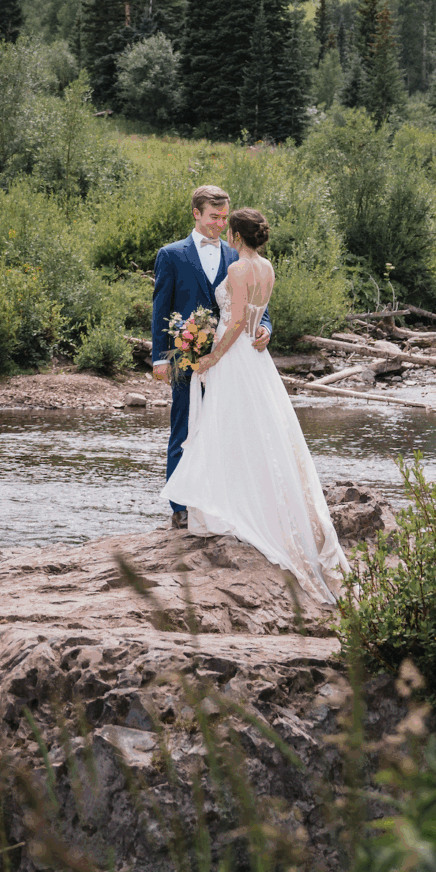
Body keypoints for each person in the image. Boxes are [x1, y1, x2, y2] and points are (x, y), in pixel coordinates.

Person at [161, 207, 346, 605]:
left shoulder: (238, 270)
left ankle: (234, 508)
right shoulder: (268, 268)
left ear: (235, 234)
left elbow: (233, 324)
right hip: (258, 361)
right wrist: (254, 331)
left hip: (236, 358)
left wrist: (211, 358)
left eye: (227, 227)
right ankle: (243, 500)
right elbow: (253, 316)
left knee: (227, 427)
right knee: (258, 430)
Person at [149, 185, 265, 528]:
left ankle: (221, 502)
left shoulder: (237, 254)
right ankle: (180, 506)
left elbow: (255, 301)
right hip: (187, 357)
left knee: (227, 428)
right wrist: (159, 358)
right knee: (185, 427)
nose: (219, 224)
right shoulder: (170, 254)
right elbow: (161, 310)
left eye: (224, 217)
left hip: (230, 360)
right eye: (213, 217)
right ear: (196, 214)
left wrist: (265, 327)